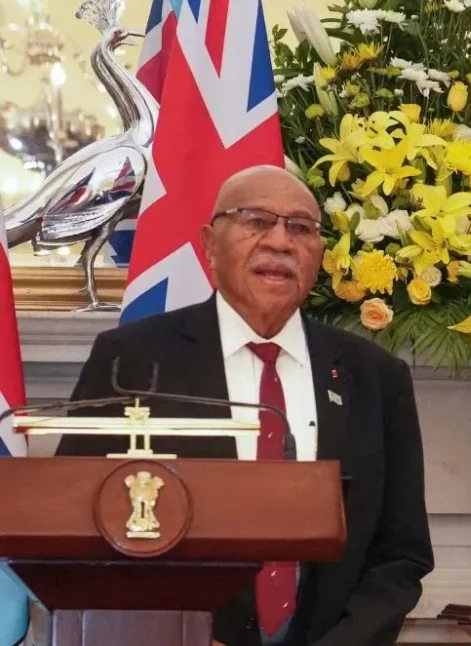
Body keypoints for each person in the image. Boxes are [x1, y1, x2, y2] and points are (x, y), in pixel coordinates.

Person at [57, 165, 433, 646]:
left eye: (300, 228)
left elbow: (402, 555)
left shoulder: (376, 377)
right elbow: (80, 528)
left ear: (319, 254)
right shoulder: (130, 359)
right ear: (210, 243)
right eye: (256, 221)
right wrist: (180, 635)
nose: (279, 242)